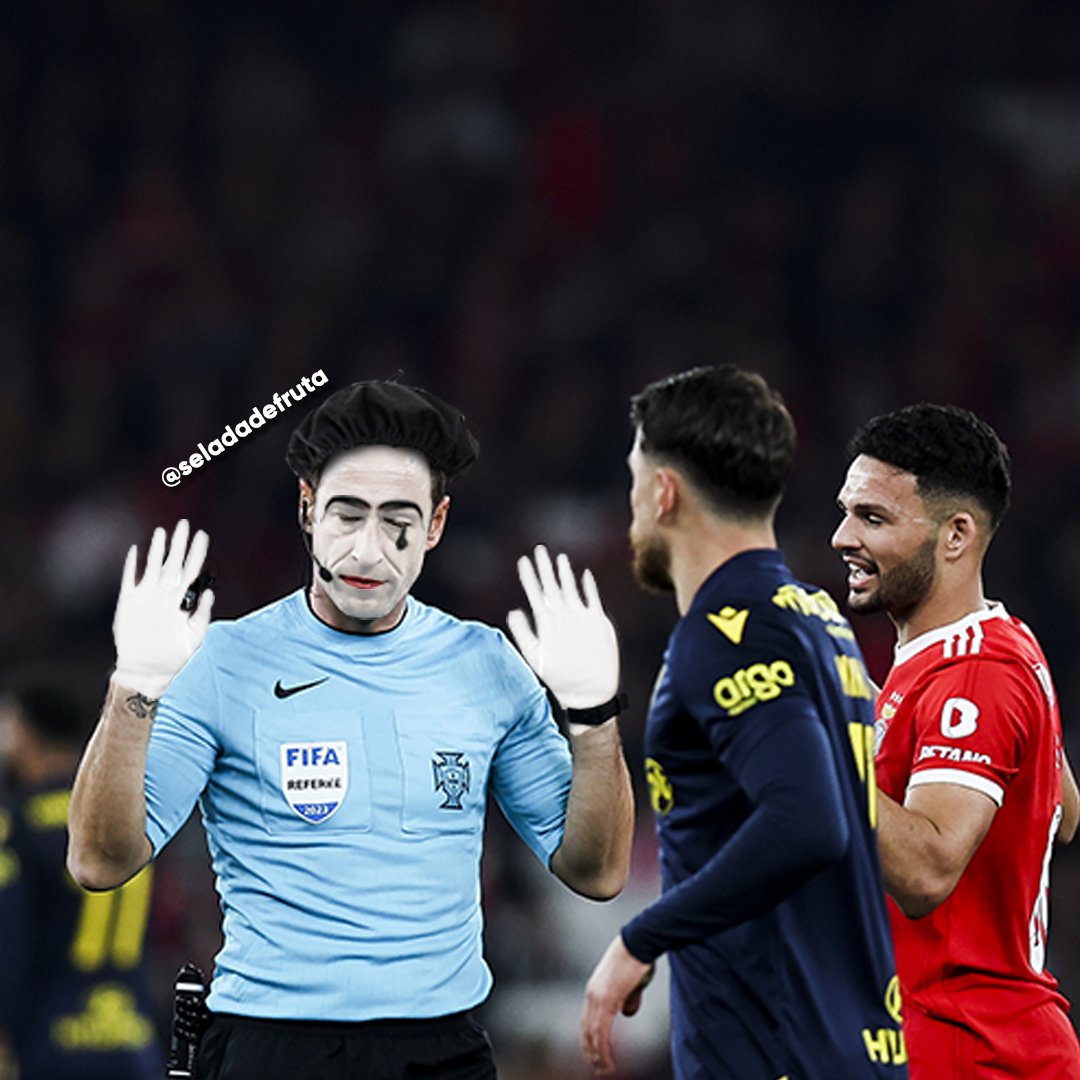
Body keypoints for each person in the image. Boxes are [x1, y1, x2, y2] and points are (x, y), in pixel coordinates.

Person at [67, 379, 635, 1080]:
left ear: (436, 524)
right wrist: (133, 685)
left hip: (440, 1053)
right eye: (347, 515)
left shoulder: (489, 665)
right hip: (272, 1049)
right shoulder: (223, 661)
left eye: (398, 521)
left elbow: (596, 872)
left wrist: (593, 714)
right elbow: (99, 862)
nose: (368, 551)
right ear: (307, 508)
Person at [580, 365, 907, 1078]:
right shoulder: (817, 619)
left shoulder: (727, 631)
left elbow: (809, 819)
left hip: (773, 1050)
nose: (633, 509)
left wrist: (640, 938)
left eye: (635, 482)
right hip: (847, 1037)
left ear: (664, 492)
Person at [832, 402, 1080, 1078]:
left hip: (972, 1046)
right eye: (848, 512)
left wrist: (823, 740)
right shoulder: (998, 643)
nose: (842, 537)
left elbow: (927, 870)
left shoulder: (976, 673)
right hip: (949, 1039)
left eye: (873, 519)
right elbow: (1062, 812)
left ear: (956, 535)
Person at [0, 671, 164, 1080]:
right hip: (131, 1037)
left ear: (23, 732)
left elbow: (9, 938)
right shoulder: (124, 819)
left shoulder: (18, 824)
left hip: (48, 1042)